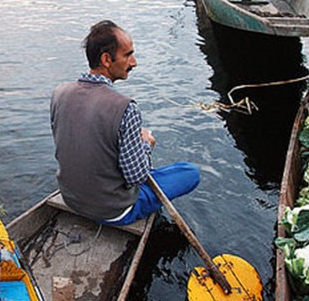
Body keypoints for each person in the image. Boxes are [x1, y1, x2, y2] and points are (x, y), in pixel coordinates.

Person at [50, 21, 200, 225]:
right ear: (106, 59)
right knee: (190, 172)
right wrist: (146, 143)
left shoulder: (60, 93)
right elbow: (136, 177)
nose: (134, 62)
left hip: (71, 199)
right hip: (113, 211)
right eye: (127, 55)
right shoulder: (126, 107)